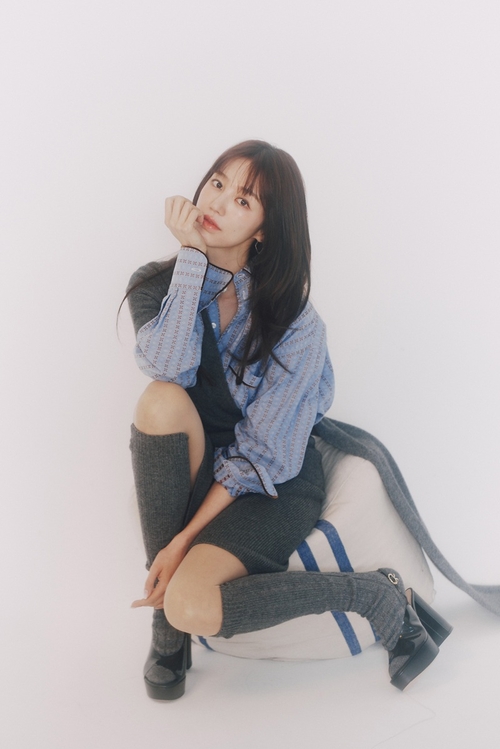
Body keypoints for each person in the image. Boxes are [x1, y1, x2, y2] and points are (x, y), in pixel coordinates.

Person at [123, 140, 450, 701]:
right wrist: (192, 262)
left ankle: (373, 594)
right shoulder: (159, 285)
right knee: (159, 400)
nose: (217, 202)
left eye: (243, 200)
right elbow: (168, 367)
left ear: (264, 229)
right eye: (217, 183)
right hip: (200, 467)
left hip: (270, 485)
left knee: (192, 603)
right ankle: (166, 629)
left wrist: (181, 544)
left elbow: (263, 454)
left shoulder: (294, 320)